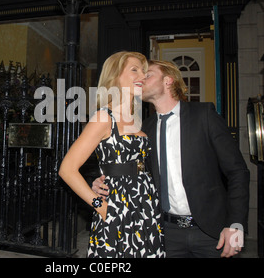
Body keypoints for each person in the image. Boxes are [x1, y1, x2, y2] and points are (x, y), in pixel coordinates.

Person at [92, 59, 250, 258]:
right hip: (164, 232)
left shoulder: (204, 116)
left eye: (148, 75)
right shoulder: (143, 130)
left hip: (212, 232)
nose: (141, 78)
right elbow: (136, 174)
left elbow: (237, 172)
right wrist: (102, 182)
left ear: (168, 81)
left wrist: (236, 225)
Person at [58, 52, 165, 258]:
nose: (142, 75)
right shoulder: (104, 117)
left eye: (143, 71)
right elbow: (67, 169)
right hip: (118, 208)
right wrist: (101, 207)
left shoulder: (137, 119)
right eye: (134, 69)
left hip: (145, 206)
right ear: (115, 77)